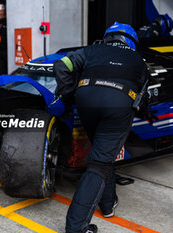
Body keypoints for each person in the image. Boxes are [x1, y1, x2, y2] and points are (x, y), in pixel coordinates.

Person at [53, 22, 147, 233]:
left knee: (102, 153)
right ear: (131, 41)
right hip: (118, 105)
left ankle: (107, 203)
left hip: (86, 101)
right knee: (99, 164)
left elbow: (61, 65)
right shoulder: (139, 60)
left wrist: (68, 96)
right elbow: (144, 96)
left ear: (108, 38)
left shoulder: (91, 50)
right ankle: (76, 228)